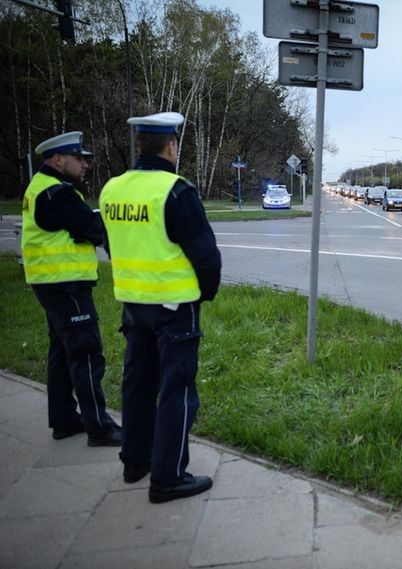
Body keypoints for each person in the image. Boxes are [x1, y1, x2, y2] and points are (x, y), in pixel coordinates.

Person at [99, 111, 221, 504]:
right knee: (177, 390)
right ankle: (168, 477)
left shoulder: (112, 189)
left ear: (140, 147)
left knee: (137, 384)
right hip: (174, 308)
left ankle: (135, 461)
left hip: (133, 304)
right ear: (171, 146)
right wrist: (205, 293)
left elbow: (109, 239)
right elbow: (206, 256)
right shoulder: (175, 191)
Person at [21, 131, 122, 446]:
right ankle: (100, 428)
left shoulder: (41, 188)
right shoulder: (58, 193)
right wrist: (93, 229)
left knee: (62, 351)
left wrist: (84, 228)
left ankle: (64, 419)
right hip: (66, 285)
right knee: (86, 354)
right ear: (57, 159)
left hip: (49, 282)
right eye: (79, 158)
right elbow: (93, 229)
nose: (85, 165)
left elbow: (78, 227)